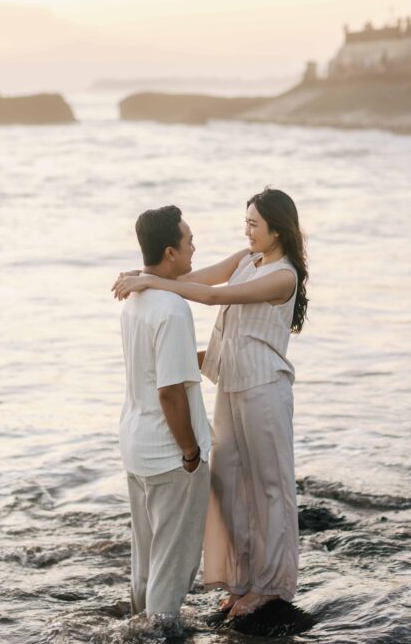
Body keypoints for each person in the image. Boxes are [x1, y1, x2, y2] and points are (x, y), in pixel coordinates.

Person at [113, 188, 308, 619]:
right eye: (247, 223)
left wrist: (150, 280)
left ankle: (272, 587)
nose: (248, 231)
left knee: (270, 489)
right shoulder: (246, 260)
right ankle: (242, 582)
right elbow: (192, 280)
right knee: (229, 487)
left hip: (264, 389)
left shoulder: (284, 276)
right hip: (230, 386)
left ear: (278, 229)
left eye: (255, 224)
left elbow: (216, 298)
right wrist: (143, 277)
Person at [117, 205, 212, 618]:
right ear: (171, 253)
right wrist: (190, 452)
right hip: (168, 455)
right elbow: (170, 392)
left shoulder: (136, 300)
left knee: (147, 557)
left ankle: (140, 626)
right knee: (171, 567)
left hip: (136, 445)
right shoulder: (172, 309)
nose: (194, 248)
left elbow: (161, 371)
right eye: (189, 241)